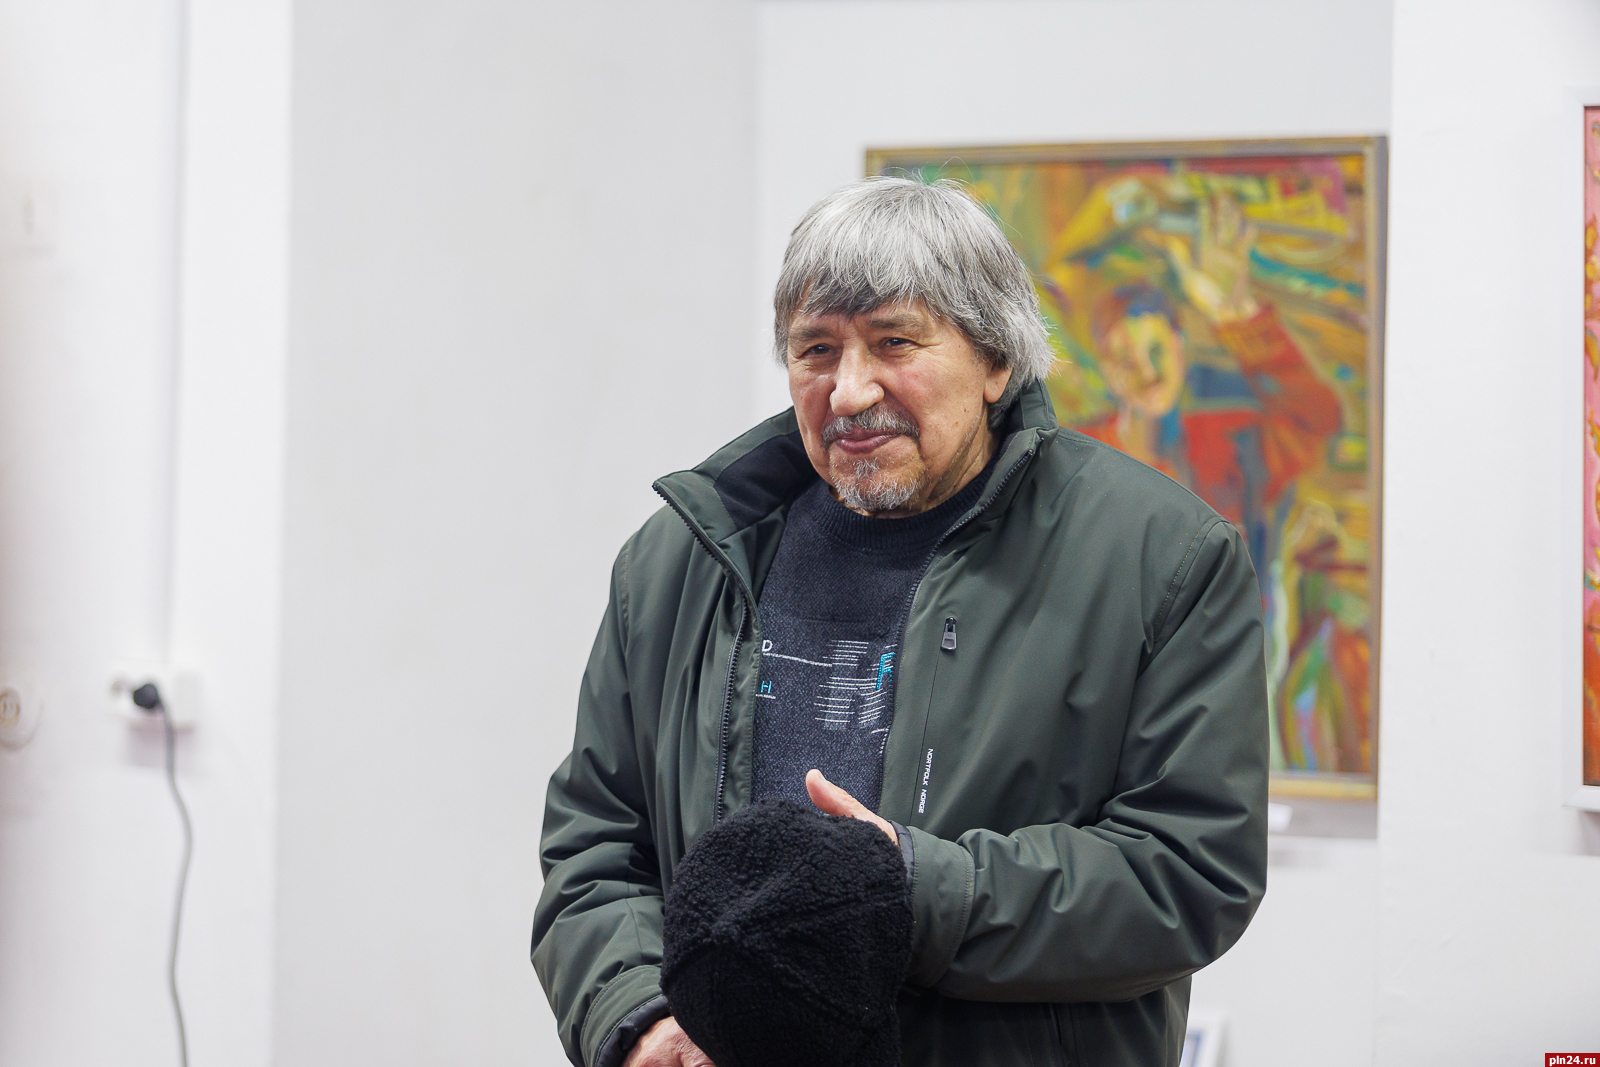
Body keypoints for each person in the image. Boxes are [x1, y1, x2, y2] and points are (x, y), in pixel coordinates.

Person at [533, 177, 1270, 1067]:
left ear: (996, 361)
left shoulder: (1162, 559)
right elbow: (596, 846)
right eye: (816, 349)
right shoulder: (678, 562)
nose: (849, 391)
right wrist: (640, 1017)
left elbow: (1189, 872)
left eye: (894, 342)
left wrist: (911, 893)